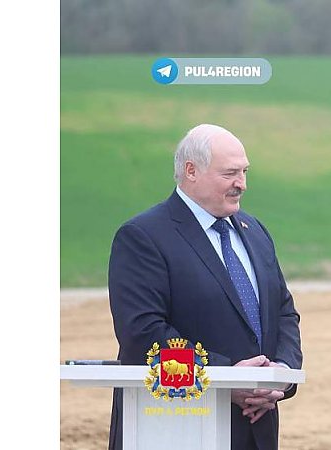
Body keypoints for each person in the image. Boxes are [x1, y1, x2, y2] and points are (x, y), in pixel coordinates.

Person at [107, 124, 303, 450]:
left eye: (244, 172)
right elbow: (142, 335)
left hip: (255, 427)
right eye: (230, 173)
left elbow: (283, 312)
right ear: (191, 171)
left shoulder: (254, 230)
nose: (242, 184)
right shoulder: (143, 237)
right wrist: (223, 379)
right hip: (174, 424)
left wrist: (280, 375)